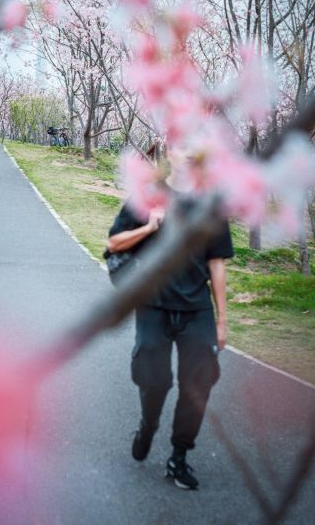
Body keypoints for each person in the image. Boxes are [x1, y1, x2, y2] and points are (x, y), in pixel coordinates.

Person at [104, 145, 234, 490]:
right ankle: (148, 425)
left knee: (198, 386)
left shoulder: (210, 204)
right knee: (154, 381)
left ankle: (179, 456)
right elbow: (114, 243)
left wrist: (222, 319)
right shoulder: (149, 196)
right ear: (169, 149)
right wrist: (148, 227)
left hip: (197, 310)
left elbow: (217, 264)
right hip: (154, 306)